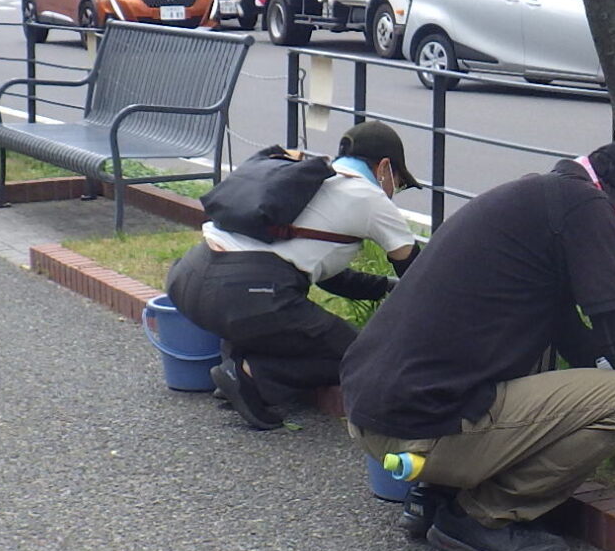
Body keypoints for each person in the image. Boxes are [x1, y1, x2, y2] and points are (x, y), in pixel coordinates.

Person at [343, 142, 615, 551]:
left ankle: (436, 494)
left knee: (539, 350)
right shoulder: (587, 208)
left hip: (373, 411)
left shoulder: (539, 199)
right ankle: (481, 516)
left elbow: (573, 337)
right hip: (418, 427)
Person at [167, 120, 423, 431]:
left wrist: (385, 288)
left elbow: (329, 276)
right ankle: (250, 374)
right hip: (246, 295)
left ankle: (234, 365)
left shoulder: (306, 185)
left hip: (189, 279)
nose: (395, 190)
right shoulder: (370, 197)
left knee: (292, 323)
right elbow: (419, 273)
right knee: (363, 356)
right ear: (383, 168)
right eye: (399, 182)